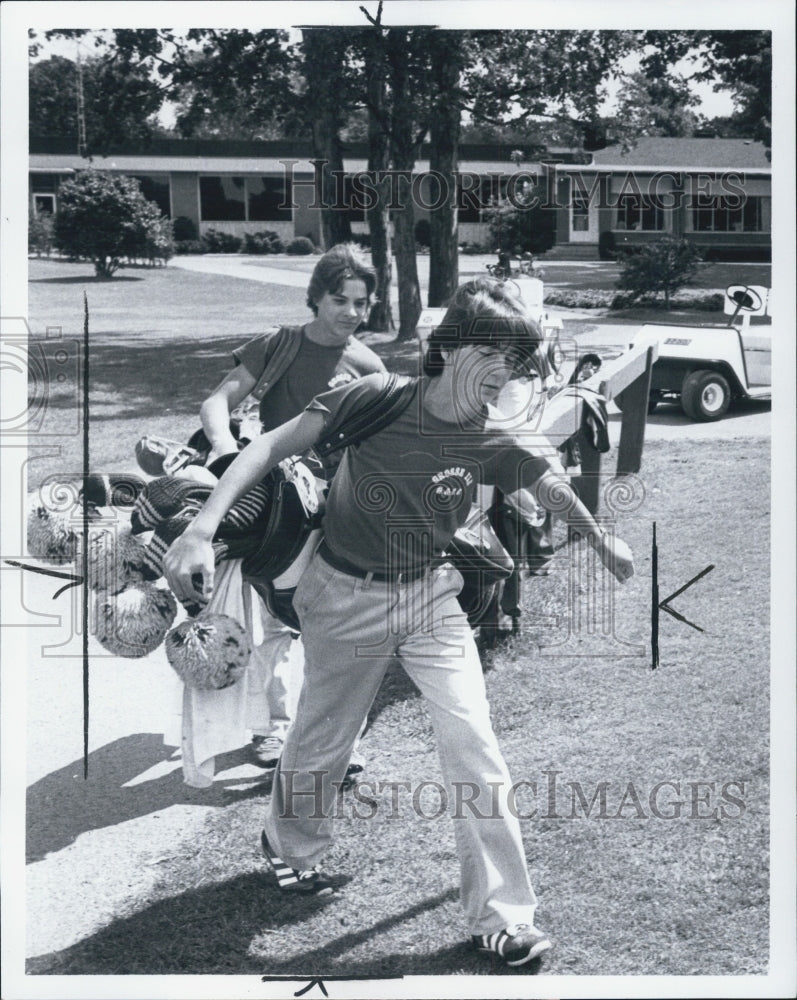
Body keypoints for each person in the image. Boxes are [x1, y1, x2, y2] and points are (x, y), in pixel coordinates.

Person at [164, 278, 634, 967]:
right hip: (341, 593)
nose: (511, 375)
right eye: (500, 358)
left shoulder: (490, 434)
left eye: (517, 363)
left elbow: (545, 481)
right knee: (324, 738)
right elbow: (267, 447)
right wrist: (202, 528)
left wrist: (598, 538)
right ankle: (289, 844)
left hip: (429, 598)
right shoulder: (378, 397)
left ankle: (503, 915)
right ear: (458, 350)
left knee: (473, 742)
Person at [179, 243, 386, 779]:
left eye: (361, 303)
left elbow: (381, 444)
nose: (350, 313)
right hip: (277, 505)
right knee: (276, 619)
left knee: (335, 626)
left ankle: (341, 741)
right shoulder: (279, 344)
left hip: (340, 511)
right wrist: (227, 451)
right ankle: (275, 730)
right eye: (339, 299)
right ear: (315, 298)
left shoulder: (367, 365)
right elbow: (216, 402)